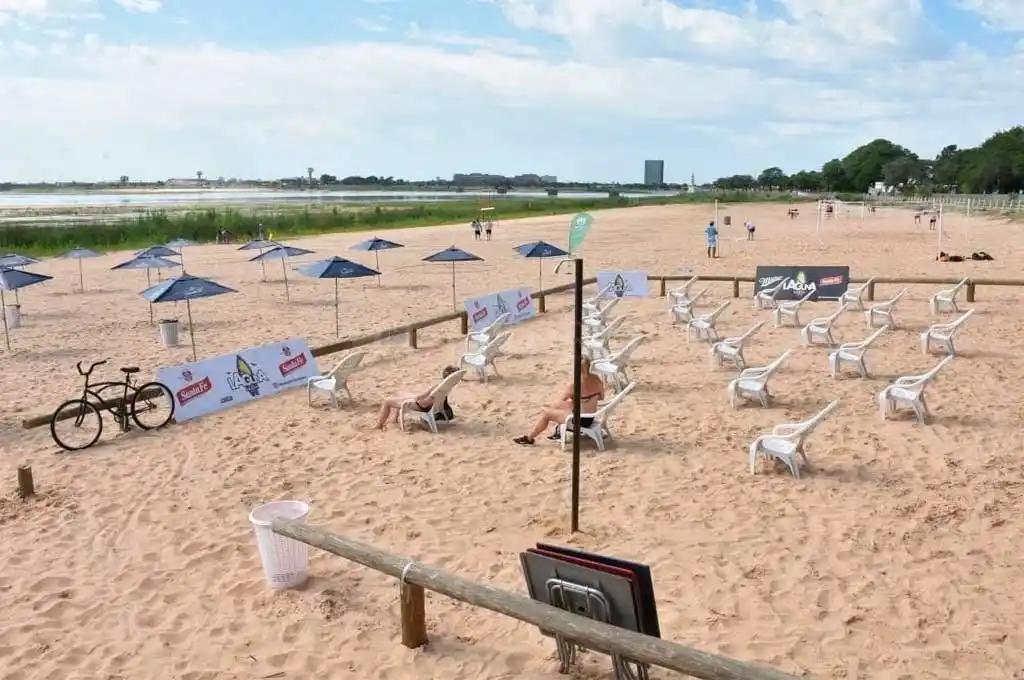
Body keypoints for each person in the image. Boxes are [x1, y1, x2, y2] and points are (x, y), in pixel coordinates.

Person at [513, 356, 605, 446]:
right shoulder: (597, 379)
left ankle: (529, 438)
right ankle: (557, 427)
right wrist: (585, 400)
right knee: (561, 405)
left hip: (578, 421)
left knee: (547, 414)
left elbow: (563, 398)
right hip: (590, 417)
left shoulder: (574, 385)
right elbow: (601, 397)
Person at [373, 366, 459, 431]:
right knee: (398, 393)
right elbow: (426, 397)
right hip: (428, 405)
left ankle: (379, 425)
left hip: (420, 406)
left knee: (387, 401)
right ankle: (394, 419)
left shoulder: (436, 386)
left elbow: (420, 398)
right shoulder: (445, 387)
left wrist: (410, 397)